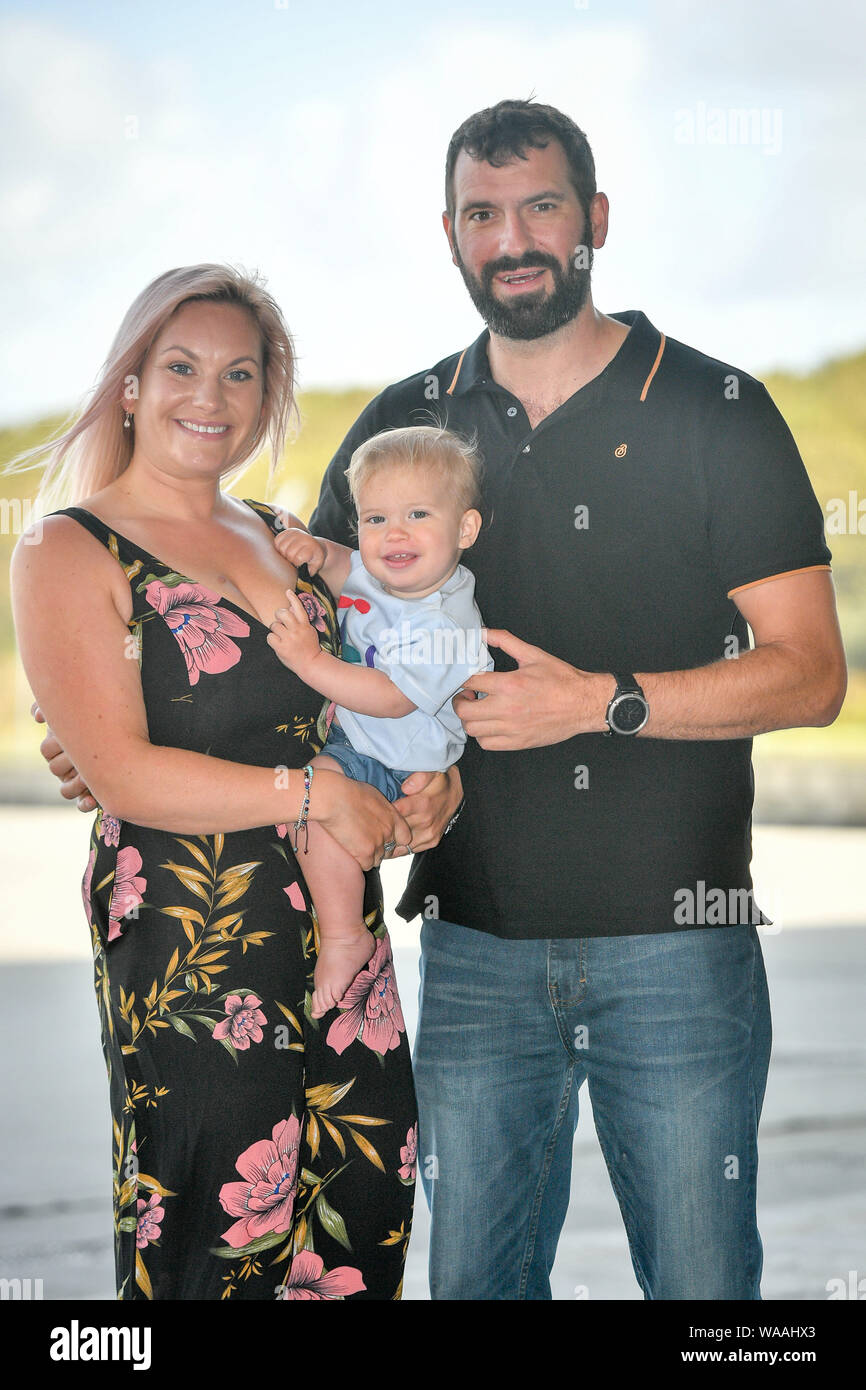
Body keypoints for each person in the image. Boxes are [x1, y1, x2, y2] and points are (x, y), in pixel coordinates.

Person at [38, 100, 847, 1301]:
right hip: (464, 949)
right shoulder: (398, 427)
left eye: (540, 207)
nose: (510, 237)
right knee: (465, 1280)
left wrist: (599, 702)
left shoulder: (712, 411)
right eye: (482, 213)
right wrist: (101, 743)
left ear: (595, 222)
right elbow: (271, 636)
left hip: (676, 942)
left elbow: (812, 673)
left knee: (700, 1291)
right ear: (450, 235)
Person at [11, 264, 425, 1300]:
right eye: (181, 367)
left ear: (267, 393)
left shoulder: (277, 529)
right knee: (214, 1228)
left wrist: (408, 784)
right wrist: (316, 795)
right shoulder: (70, 546)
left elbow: (379, 676)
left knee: (360, 1209)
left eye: (240, 373)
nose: (211, 396)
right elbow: (121, 772)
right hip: (193, 934)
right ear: (131, 384)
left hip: (339, 926)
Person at [267, 424, 492, 1018]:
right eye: (374, 519)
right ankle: (340, 928)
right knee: (313, 808)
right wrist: (319, 553)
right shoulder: (393, 573)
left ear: (464, 528)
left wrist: (310, 662)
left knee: (315, 799)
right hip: (367, 736)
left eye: (418, 514)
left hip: (396, 757)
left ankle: (345, 935)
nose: (393, 533)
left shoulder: (445, 622)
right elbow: (348, 572)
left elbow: (392, 696)